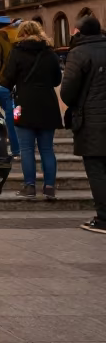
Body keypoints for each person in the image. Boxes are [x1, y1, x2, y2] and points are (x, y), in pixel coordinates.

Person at [1, 20, 61, 201]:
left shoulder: (17, 52)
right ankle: (49, 187)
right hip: (48, 105)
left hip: (24, 104)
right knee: (47, 149)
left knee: (26, 149)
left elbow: (7, 80)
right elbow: (57, 80)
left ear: (22, 33)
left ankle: (30, 187)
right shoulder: (50, 53)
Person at [61, 14, 106, 234]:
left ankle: (104, 219)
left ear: (79, 32)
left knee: (96, 169)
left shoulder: (78, 54)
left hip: (92, 121)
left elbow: (67, 92)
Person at [0, 17, 21, 158]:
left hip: (3, 83)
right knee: (16, 115)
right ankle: (21, 147)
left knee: (9, 117)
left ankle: (15, 149)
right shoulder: (14, 37)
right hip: (17, 82)